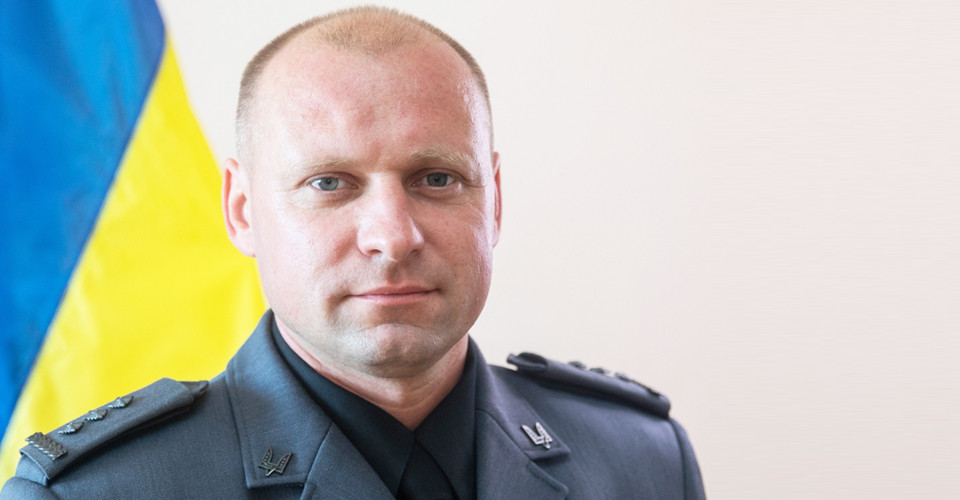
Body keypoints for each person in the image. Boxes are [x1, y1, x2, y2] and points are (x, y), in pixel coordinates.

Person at [1, 6, 704, 499]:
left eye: (436, 179)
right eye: (330, 183)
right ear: (241, 211)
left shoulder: (644, 462)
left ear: (493, 201)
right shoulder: (96, 493)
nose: (392, 237)